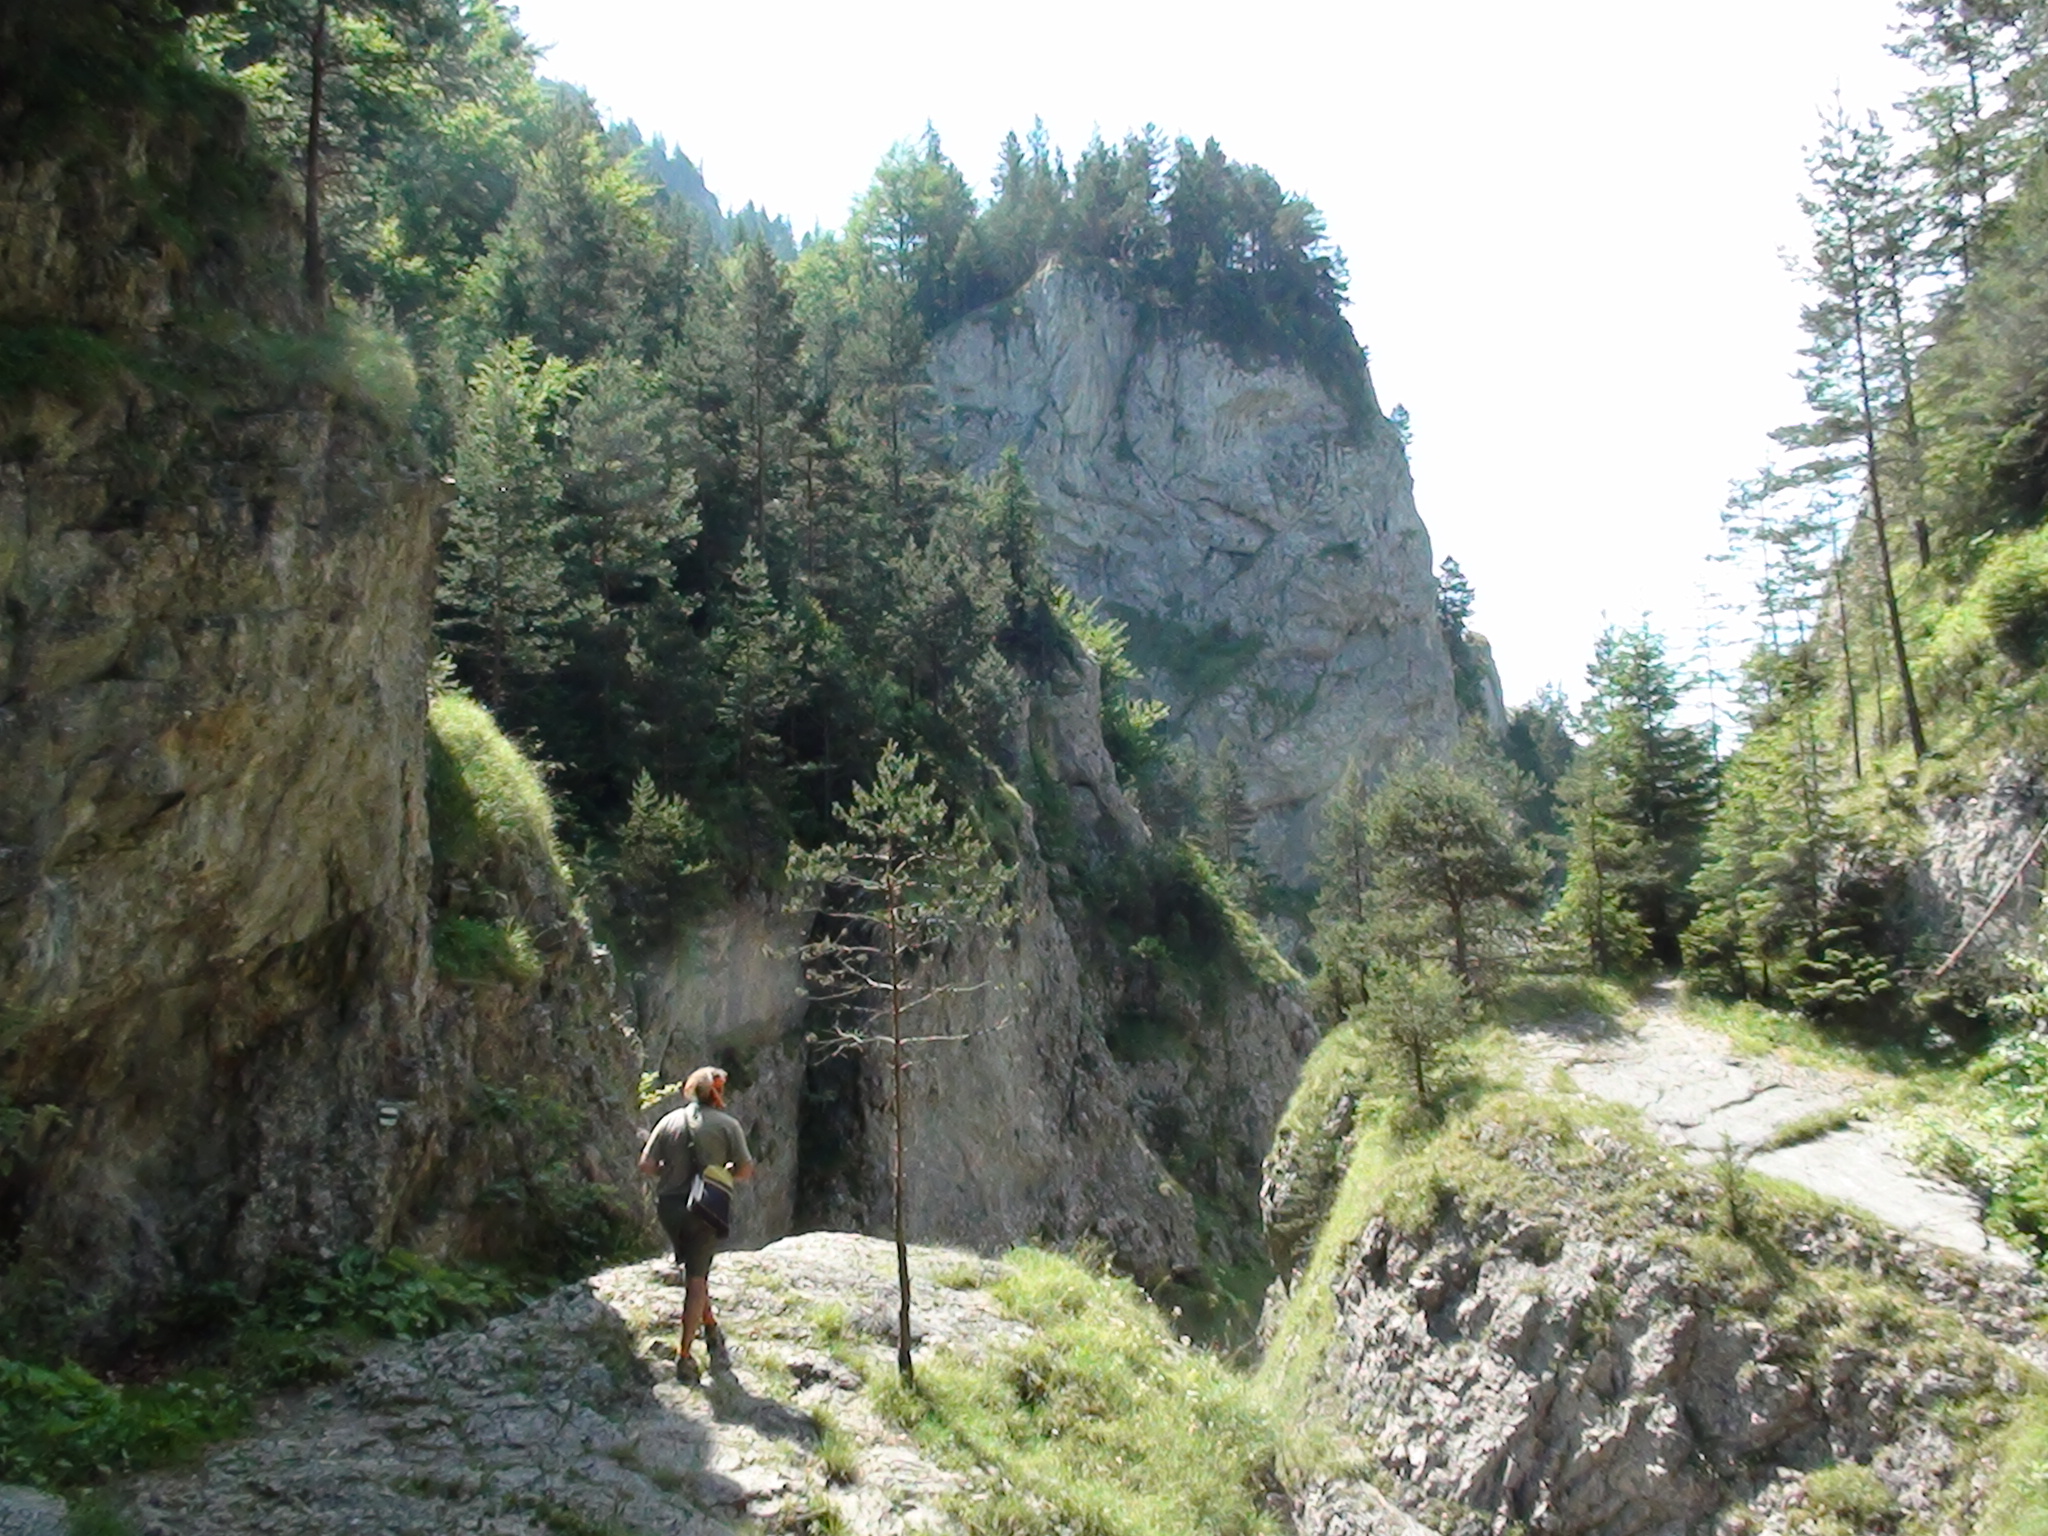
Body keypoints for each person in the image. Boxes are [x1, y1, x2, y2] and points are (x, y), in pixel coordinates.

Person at [638, 1065, 753, 1383]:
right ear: (718, 1092)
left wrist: (672, 1172)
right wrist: (722, 1172)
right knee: (697, 1279)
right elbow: (745, 1170)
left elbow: (647, 1165)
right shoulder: (727, 1125)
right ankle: (685, 1355)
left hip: (669, 1208)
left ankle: (711, 1326)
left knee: (694, 1266)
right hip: (705, 1207)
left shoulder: (669, 1121)